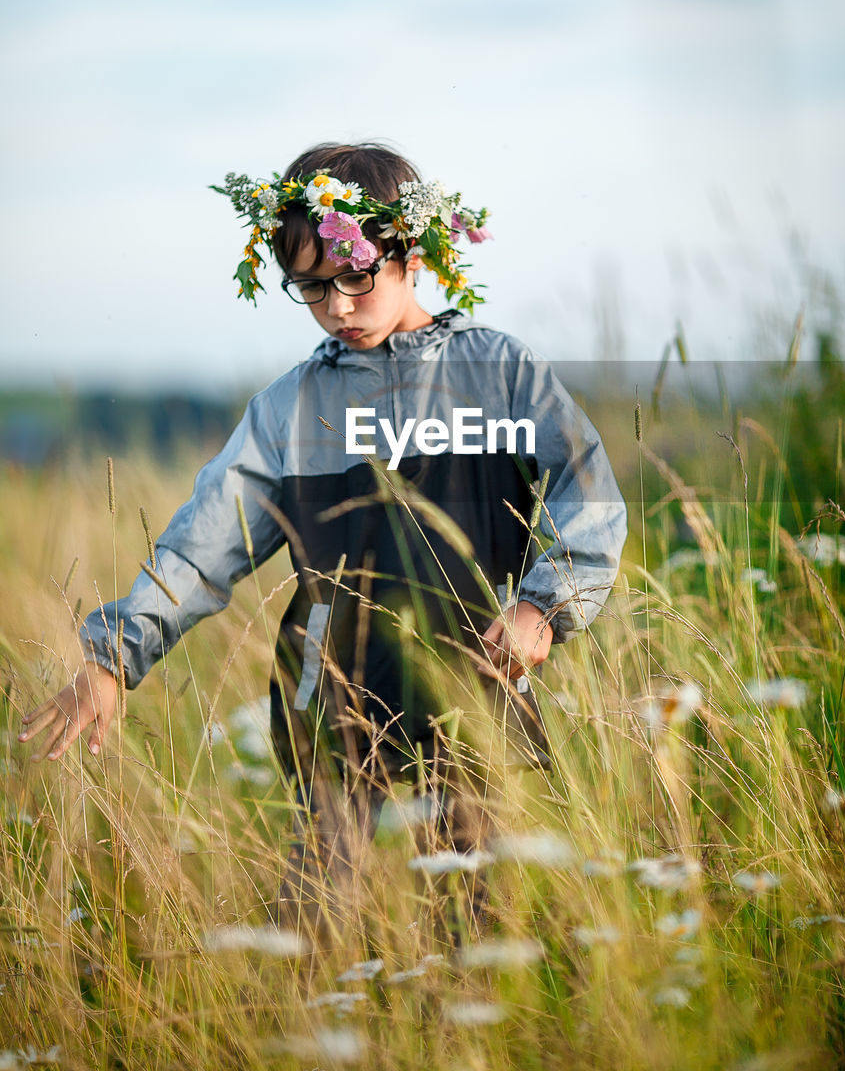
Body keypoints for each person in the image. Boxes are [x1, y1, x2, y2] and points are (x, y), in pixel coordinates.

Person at [20, 142, 627, 929]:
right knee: (317, 926)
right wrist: (115, 657)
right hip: (334, 708)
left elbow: (590, 501)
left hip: (473, 695)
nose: (337, 305)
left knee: (477, 935)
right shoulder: (289, 410)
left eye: (354, 276)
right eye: (311, 287)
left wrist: (544, 607)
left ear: (413, 251)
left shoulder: (501, 375)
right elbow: (204, 545)